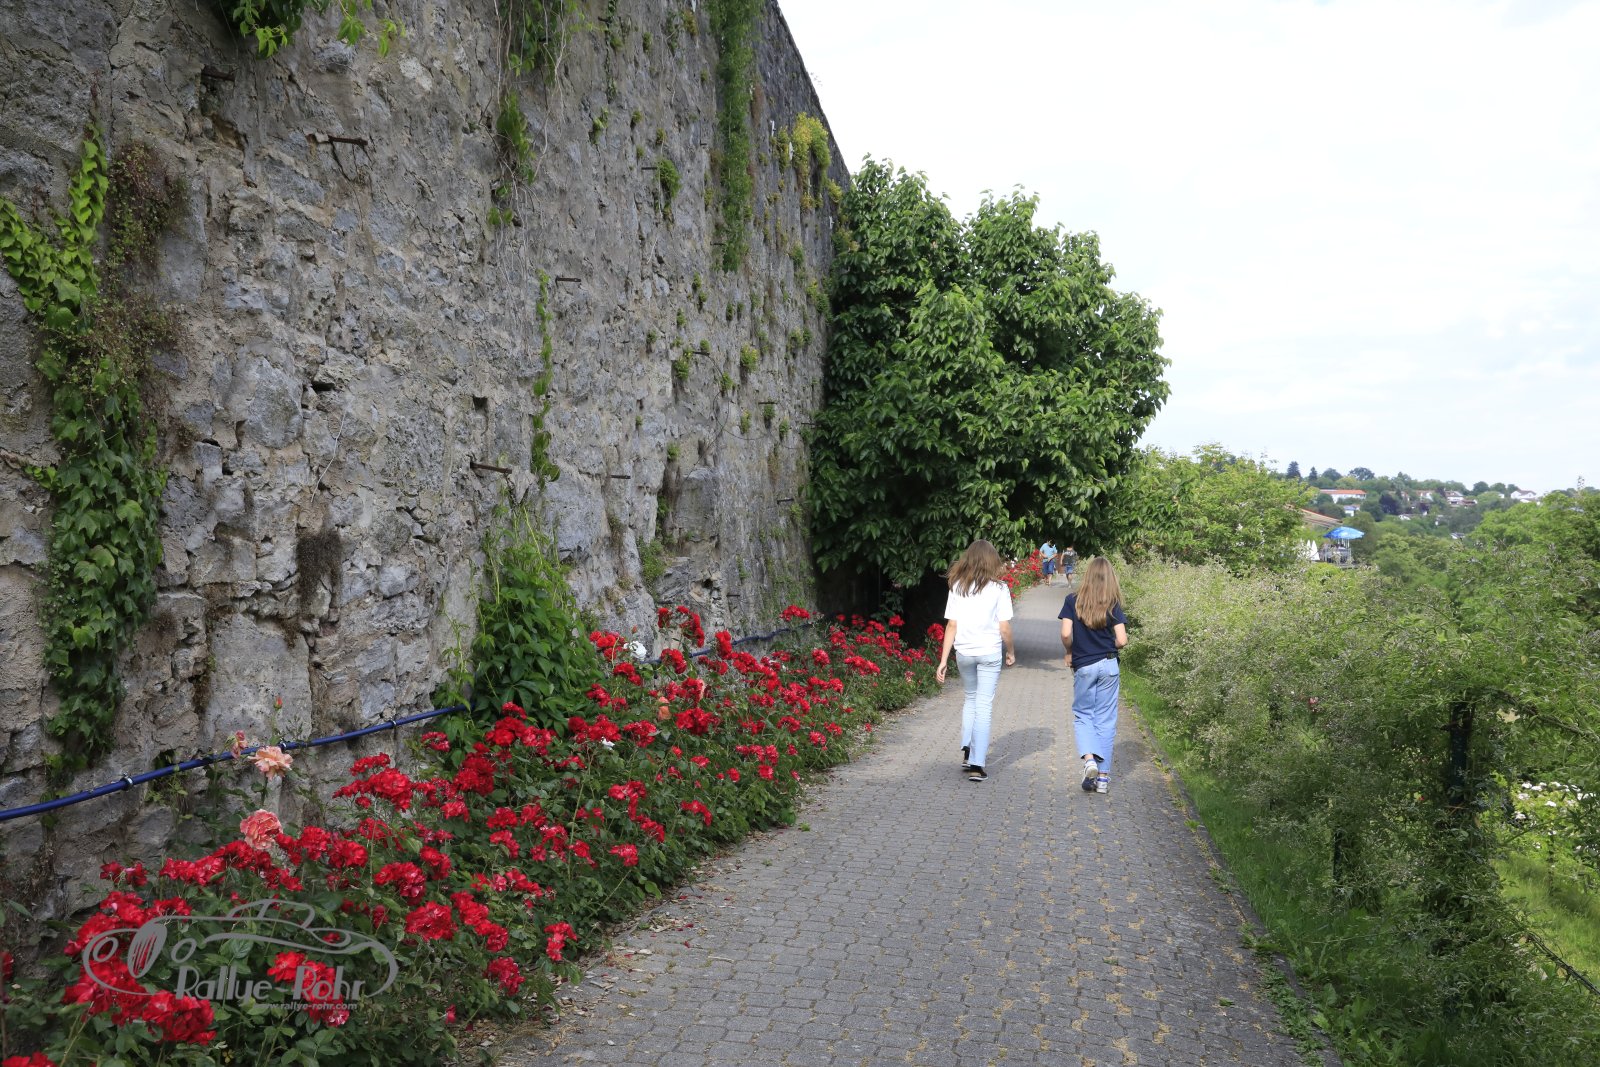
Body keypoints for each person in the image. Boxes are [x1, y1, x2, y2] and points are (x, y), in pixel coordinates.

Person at [934, 540, 1016, 782]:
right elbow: (1004, 627)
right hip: (989, 652)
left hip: (964, 653)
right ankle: (977, 765)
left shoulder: (957, 585)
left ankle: (967, 750)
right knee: (984, 705)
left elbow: (952, 625)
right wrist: (1011, 651)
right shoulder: (1000, 589)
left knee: (970, 698)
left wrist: (943, 660)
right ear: (992, 561)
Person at [1059, 556, 1127, 795]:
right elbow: (1122, 640)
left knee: (1083, 715)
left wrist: (1070, 651)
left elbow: (1065, 633)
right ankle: (1103, 779)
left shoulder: (1073, 601)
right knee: (1106, 720)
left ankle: (1089, 761)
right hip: (1109, 665)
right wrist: (1107, 645)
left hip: (1085, 666)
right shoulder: (1113, 603)